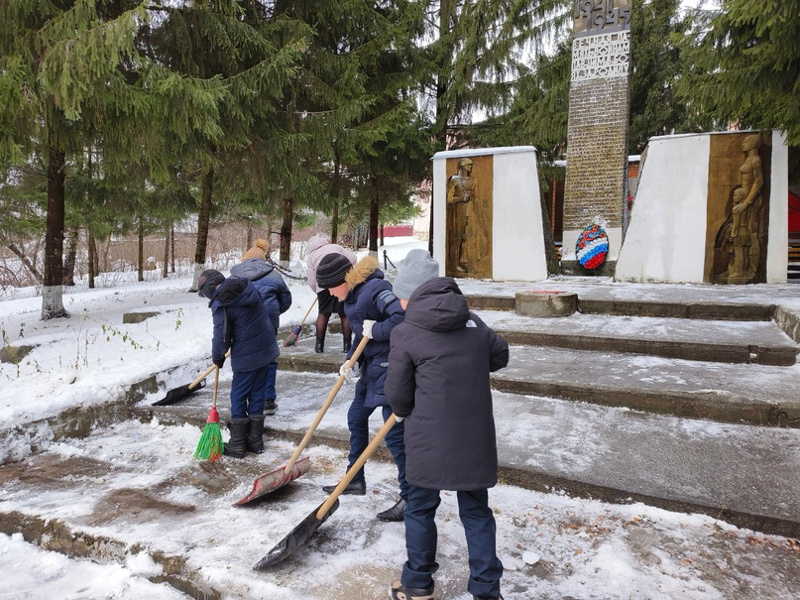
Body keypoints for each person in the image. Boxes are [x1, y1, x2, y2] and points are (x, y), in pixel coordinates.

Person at [384, 249, 509, 600]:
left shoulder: (406, 332)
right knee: (477, 512)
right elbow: (501, 355)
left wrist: (405, 409)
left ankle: (417, 584)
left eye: (401, 297)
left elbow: (397, 393)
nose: (400, 304)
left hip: (427, 440)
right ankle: (486, 590)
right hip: (473, 440)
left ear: (411, 294)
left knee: (420, 509)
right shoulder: (471, 321)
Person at [315, 252, 408, 521]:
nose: (331, 294)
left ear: (343, 278)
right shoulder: (352, 298)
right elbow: (360, 334)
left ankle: (411, 496)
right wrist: (349, 361)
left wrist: (376, 330)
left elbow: (402, 315)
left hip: (390, 367)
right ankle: (354, 479)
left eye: (331, 286)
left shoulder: (376, 289)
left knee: (393, 433)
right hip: (370, 368)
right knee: (355, 416)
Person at [197, 269, 279, 458]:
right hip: (266, 348)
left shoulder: (222, 302)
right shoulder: (246, 286)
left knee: (239, 395)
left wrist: (217, 355)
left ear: (210, 289)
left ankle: (238, 443)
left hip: (247, 354)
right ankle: (255, 440)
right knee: (258, 392)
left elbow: (222, 336)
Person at [230, 238, 292, 415]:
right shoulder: (274, 275)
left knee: (245, 360)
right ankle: (268, 399)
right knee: (269, 359)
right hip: (268, 323)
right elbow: (286, 300)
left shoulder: (235, 276)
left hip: (242, 324)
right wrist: (273, 314)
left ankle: (245, 399)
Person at [306, 235, 357, 353]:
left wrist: (318, 291)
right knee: (344, 314)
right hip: (342, 282)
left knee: (323, 313)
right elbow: (353, 259)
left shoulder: (312, 256)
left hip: (323, 286)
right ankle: (347, 346)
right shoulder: (335, 247)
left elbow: (312, 280)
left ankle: (319, 346)